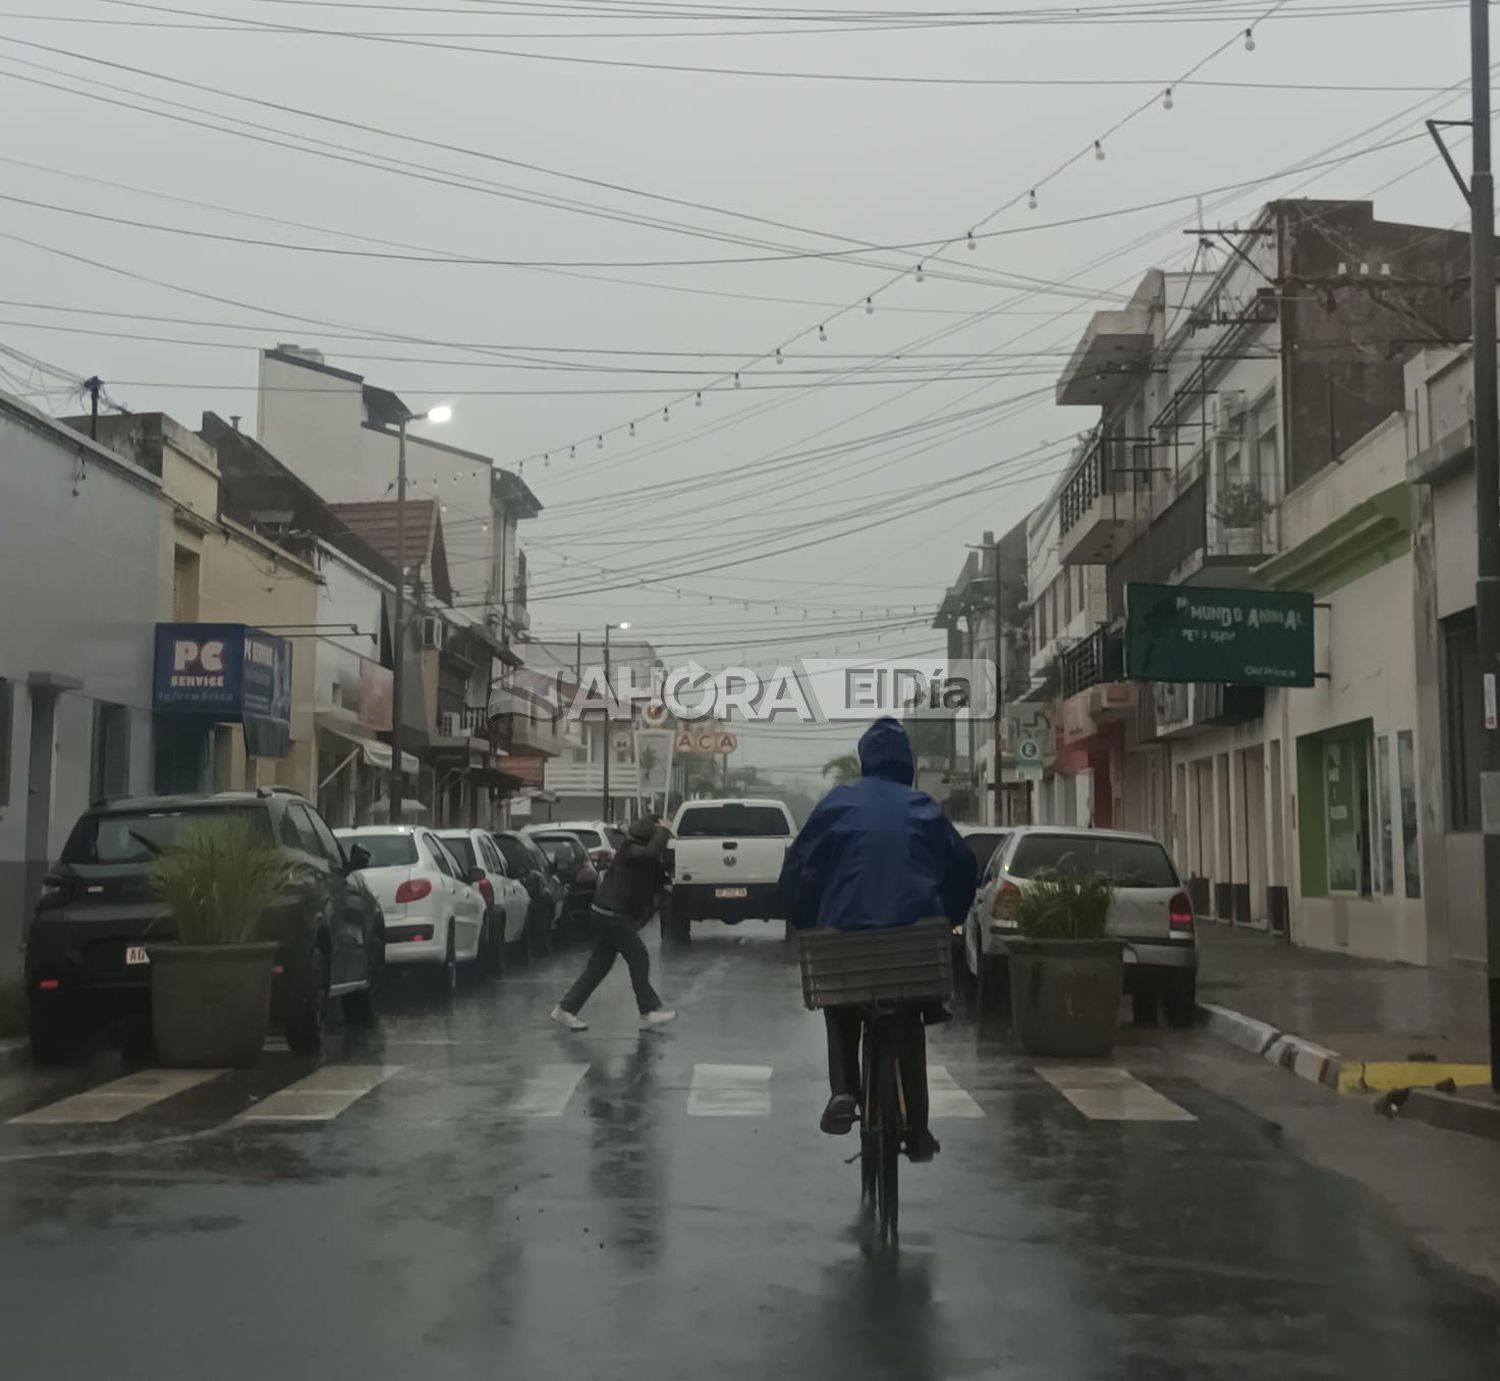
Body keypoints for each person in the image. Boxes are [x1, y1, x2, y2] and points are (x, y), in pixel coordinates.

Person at [778, 716, 977, 1162]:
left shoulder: (837, 804)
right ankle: (919, 1131)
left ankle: (844, 1090)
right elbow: (963, 867)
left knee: (841, 1008)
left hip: (844, 940)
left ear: (865, 761)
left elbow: (798, 871)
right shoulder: (923, 807)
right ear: (907, 763)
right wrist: (950, 919)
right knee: (911, 1023)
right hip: (915, 942)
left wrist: (808, 921)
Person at [551, 815, 678, 1032]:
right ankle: (647, 1011)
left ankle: (566, 1009)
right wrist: (663, 831)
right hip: (611, 912)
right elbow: (650, 854)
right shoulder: (631, 848)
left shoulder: (638, 853)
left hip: (606, 912)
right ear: (651, 833)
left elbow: (654, 874)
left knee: (599, 966)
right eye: (659, 835)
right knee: (638, 956)